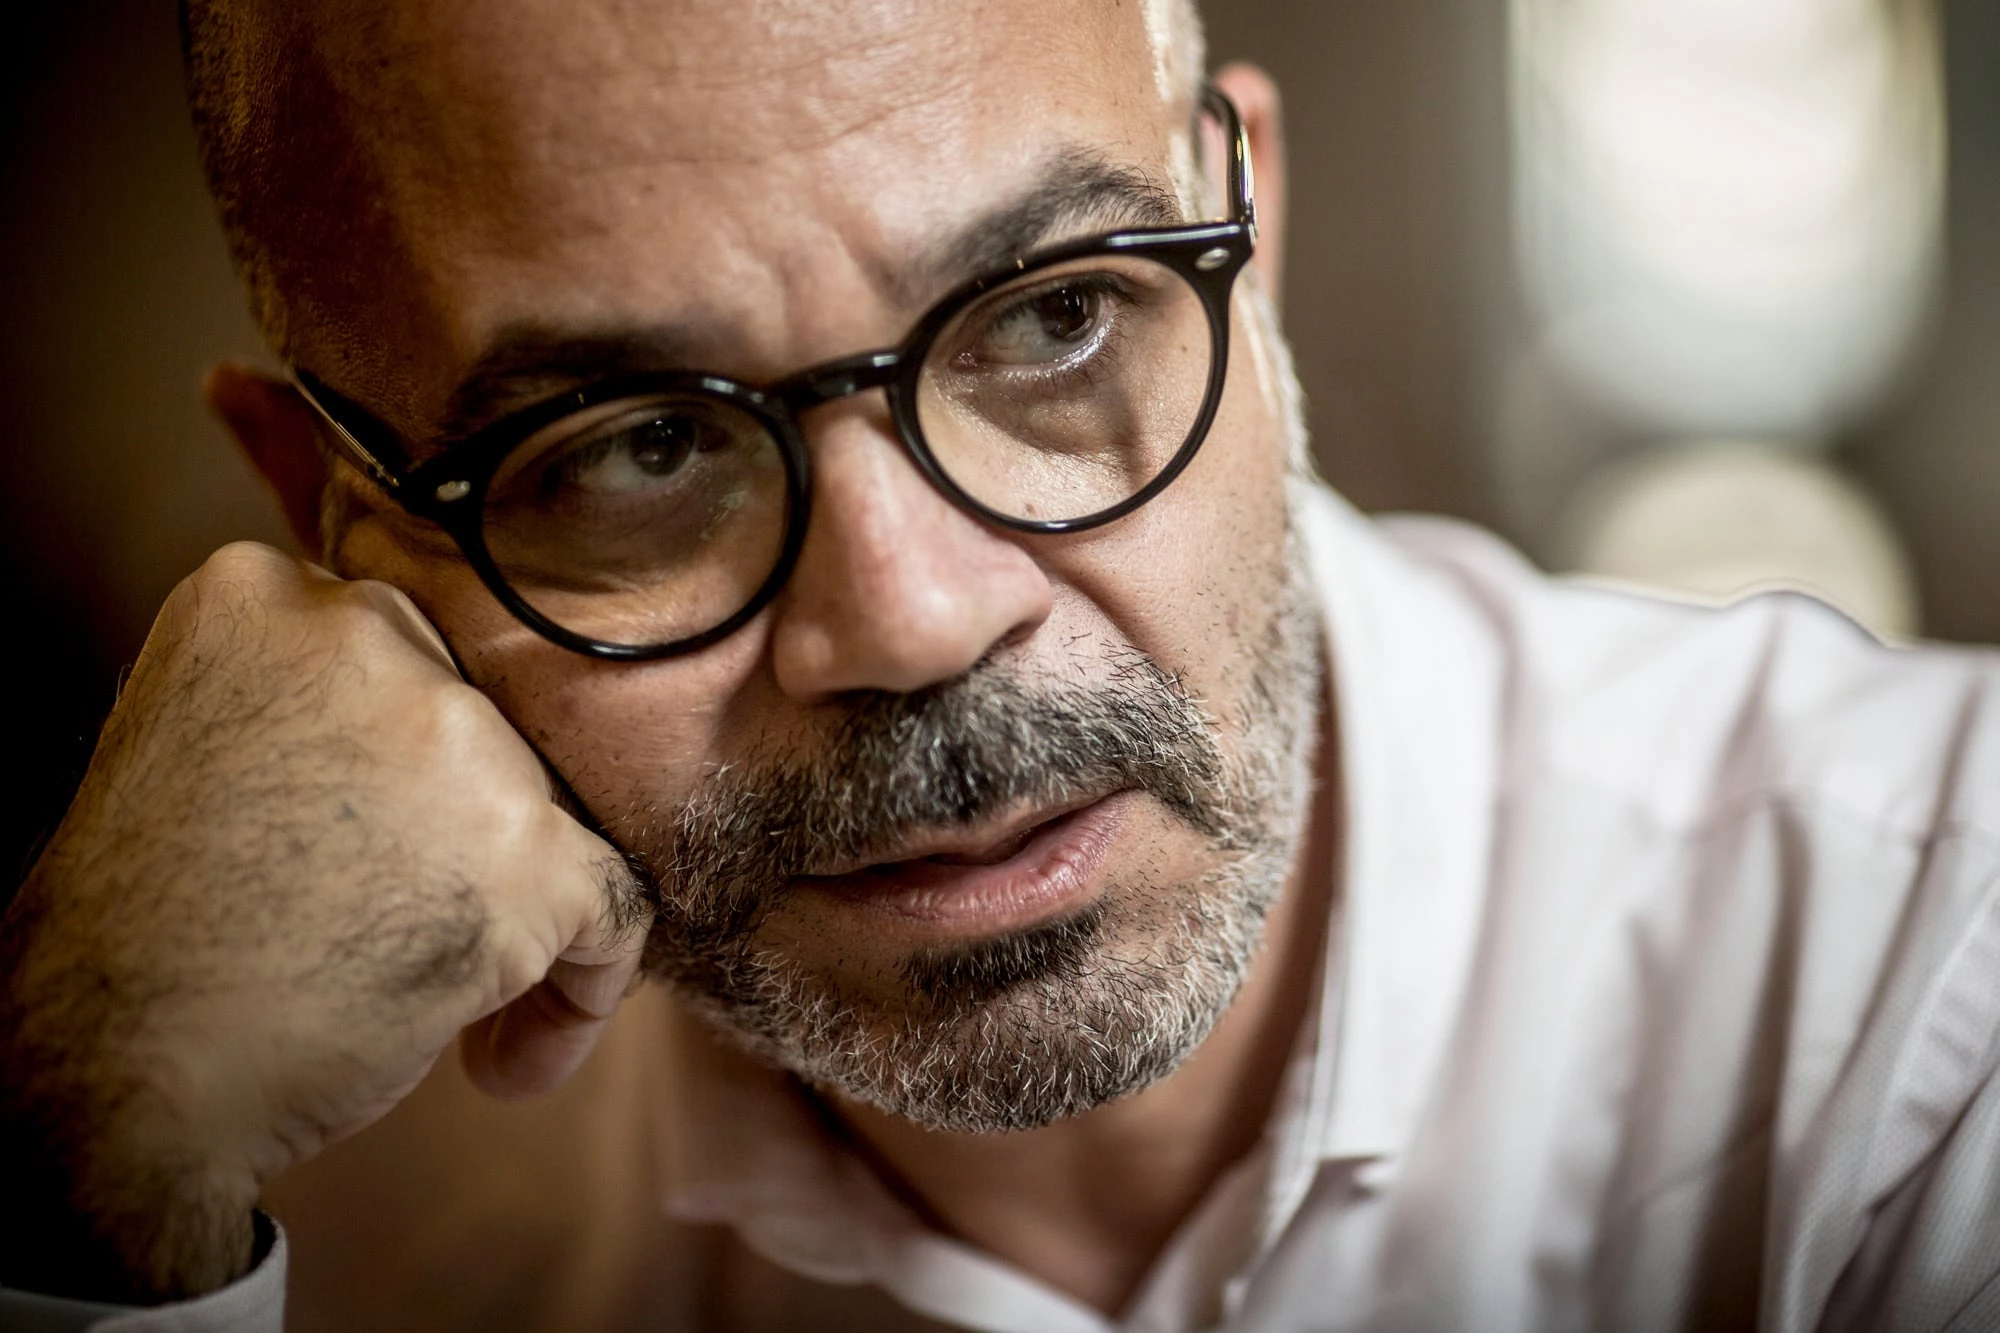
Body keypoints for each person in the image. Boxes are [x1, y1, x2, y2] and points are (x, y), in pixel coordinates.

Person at [2, 1, 1998, 1329]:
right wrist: (94, 1170)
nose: (914, 620)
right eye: (641, 447)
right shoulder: (277, 1169)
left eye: (1052, 318)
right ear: (340, 515)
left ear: (1248, 235)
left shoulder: (1924, 998)